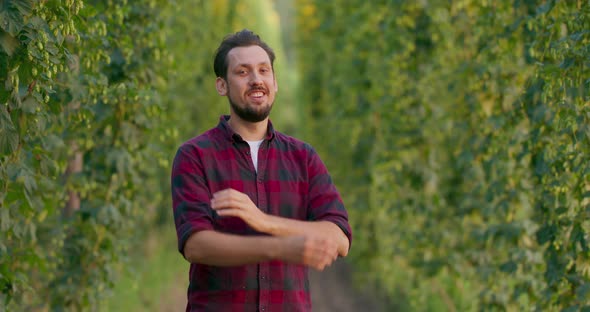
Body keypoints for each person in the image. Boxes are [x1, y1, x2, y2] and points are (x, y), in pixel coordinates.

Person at [171, 29, 352, 312]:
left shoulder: (303, 157)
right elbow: (196, 245)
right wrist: (281, 247)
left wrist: (264, 222)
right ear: (222, 86)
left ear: (274, 82)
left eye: (263, 70)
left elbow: (339, 239)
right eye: (242, 72)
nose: (256, 79)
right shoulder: (195, 155)